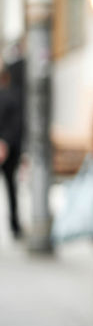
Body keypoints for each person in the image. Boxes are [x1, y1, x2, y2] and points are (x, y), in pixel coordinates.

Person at [0, 57, 24, 239]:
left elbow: (16, 123)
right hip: (8, 148)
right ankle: (15, 226)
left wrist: (4, 143)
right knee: (11, 188)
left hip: (8, 149)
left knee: (11, 188)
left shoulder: (11, 96)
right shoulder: (13, 95)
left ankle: (15, 224)